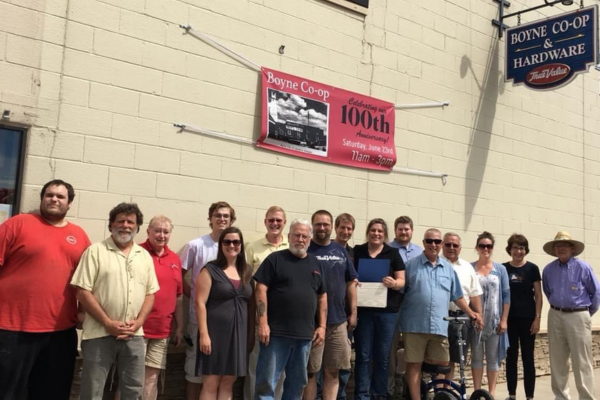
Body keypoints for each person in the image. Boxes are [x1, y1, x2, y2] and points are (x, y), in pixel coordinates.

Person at [0, 179, 91, 400]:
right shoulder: (17, 224)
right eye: (49, 195)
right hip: (12, 329)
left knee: (53, 393)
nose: (54, 199)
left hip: (60, 332)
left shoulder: (79, 236)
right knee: (7, 393)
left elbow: (88, 280)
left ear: (69, 203)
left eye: (60, 197)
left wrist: (84, 311)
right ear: (42, 198)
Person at [72, 202, 159, 399]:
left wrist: (139, 322)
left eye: (130, 222)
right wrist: (108, 323)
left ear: (137, 227)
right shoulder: (95, 251)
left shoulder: (144, 256)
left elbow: (150, 293)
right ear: (111, 225)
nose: (125, 225)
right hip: (99, 335)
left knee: (133, 390)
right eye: (120, 221)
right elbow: (82, 291)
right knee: (92, 390)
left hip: (134, 334)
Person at [399, 228, 482, 400]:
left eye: (437, 242)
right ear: (423, 243)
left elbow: (458, 296)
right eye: (429, 241)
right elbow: (400, 294)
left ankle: (438, 396)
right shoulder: (410, 266)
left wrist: (471, 312)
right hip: (415, 325)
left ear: (441, 244)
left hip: (439, 325)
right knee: (414, 364)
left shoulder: (448, 269)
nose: (433, 245)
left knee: (442, 364)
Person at [254, 219, 327, 400]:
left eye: (304, 236)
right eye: (296, 235)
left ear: (309, 240)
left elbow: (322, 296)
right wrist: (262, 323)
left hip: (304, 336)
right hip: (276, 334)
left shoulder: (316, 264)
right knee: (266, 385)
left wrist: (322, 326)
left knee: (296, 385)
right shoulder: (275, 259)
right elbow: (260, 289)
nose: (300, 239)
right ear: (289, 237)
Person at [180, 201, 236, 400]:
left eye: (226, 216)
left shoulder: (235, 247)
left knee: (221, 371)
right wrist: (193, 296)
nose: (222, 219)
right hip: (199, 319)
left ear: (231, 220)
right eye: (218, 215)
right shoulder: (196, 246)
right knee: (195, 369)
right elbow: (178, 275)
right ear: (210, 219)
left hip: (227, 322)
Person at [304, 210, 357, 400]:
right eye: (318, 224)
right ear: (312, 226)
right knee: (311, 372)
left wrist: (353, 312)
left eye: (325, 224)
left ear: (331, 226)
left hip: (338, 321)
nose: (322, 228)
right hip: (311, 323)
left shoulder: (340, 251)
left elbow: (351, 282)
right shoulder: (306, 250)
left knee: (333, 370)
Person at [196, 227, 254, 400]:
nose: (231, 245)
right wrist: (204, 335)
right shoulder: (210, 270)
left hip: (238, 335)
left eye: (236, 242)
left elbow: (251, 305)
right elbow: (199, 303)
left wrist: (250, 336)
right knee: (211, 382)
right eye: (227, 241)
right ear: (221, 245)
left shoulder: (247, 271)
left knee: (229, 381)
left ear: (241, 245)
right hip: (214, 334)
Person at [542, 231, 600, 400]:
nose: (560, 248)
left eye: (564, 245)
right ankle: (561, 397)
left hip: (578, 316)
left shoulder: (583, 268)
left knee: (582, 361)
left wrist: (585, 314)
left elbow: (595, 294)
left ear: (572, 248)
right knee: (558, 361)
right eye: (557, 246)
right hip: (555, 315)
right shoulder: (548, 270)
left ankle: (586, 398)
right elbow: (547, 291)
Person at [353, 218, 405, 400]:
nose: (376, 234)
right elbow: (349, 276)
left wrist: (394, 283)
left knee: (382, 356)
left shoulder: (393, 253)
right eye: (373, 230)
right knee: (363, 355)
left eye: (380, 231)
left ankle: (379, 395)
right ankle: (361, 395)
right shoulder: (358, 251)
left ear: (385, 235)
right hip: (363, 311)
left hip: (387, 312)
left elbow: (401, 281)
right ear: (368, 232)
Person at [244, 206, 288, 400]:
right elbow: (246, 282)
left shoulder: (293, 245)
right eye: (271, 220)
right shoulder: (252, 247)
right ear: (265, 222)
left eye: (278, 220)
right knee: (257, 364)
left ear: (284, 223)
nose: (275, 223)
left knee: (282, 368)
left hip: (286, 317)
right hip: (260, 315)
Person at [139, 215, 184, 399]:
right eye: (157, 231)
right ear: (148, 231)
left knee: (151, 378)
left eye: (166, 232)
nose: (161, 235)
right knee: (132, 378)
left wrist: (180, 327)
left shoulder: (174, 258)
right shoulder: (137, 253)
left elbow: (178, 296)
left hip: (162, 330)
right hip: (137, 329)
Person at [471, 231, 510, 398]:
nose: (485, 248)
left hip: (494, 322)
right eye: (482, 245)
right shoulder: (470, 268)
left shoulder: (500, 269)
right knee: (477, 357)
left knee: (493, 359)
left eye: (489, 246)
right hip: (476, 321)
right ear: (477, 248)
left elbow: (506, 295)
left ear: (492, 248)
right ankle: (478, 391)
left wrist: (504, 320)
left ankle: (491, 393)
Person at [387, 215, 423, 396]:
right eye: (400, 229)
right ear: (395, 230)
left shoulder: (420, 251)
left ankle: (410, 389)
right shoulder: (387, 249)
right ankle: (391, 389)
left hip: (414, 305)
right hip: (392, 302)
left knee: (412, 347)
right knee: (391, 347)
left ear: (412, 231)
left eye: (406, 229)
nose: (403, 232)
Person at [503, 234, 542, 400]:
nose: (518, 251)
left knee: (528, 358)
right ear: (509, 250)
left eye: (521, 248)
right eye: (515, 248)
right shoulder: (503, 268)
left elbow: (539, 296)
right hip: (510, 320)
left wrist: (537, 318)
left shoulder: (532, 269)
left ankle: (529, 396)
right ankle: (511, 395)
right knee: (511, 357)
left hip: (528, 320)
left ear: (525, 250)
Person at [441, 232, 482, 382]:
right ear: (442, 245)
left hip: (461, 318)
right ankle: (438, 391)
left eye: (455, 245)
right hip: (440, 317)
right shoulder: (436, 263)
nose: (451, 248)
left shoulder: (467, 267)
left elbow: (474, 294)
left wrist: (479, 316)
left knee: (453, 358)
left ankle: (446, 392)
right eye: (448, 244)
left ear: (460, 247)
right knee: (440, 358)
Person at [333, 212, 357, 400]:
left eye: (349, 229)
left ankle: (340, 396)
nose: (345, 231)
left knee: (343, 361)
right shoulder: (326, 249)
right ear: (336, 228)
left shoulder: (354, 253)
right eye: (342, 227)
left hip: (346, 315)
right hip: (326, 315)